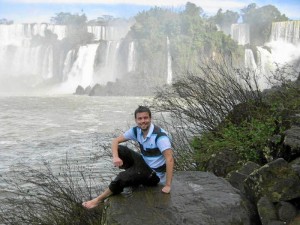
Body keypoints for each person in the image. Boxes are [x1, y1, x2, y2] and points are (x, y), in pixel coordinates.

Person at [82, 106, 174, 209]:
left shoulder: (160, 137)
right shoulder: (137, 131)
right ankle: (134, 174)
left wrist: (168, 185)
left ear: (150, 118)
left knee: (122, 177)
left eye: (145, 118)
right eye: (140, 118)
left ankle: (97, 200)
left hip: (154, 175)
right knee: (120, 149)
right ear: (136, 120)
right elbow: (115, 141)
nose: (143, 121)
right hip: (144, 164)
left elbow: (169, 159)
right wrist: (116, 157)